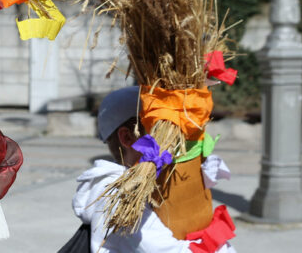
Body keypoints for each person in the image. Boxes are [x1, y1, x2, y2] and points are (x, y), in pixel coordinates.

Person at [70, 86, 235, 253]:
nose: (176, 138)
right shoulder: (119, 196)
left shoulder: (164, 179)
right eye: (164, 129)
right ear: (128, 137)